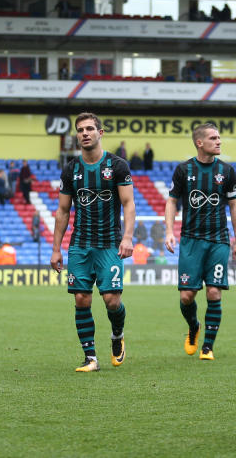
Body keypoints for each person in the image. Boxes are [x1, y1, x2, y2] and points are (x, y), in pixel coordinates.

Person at [50, 112, 135, 373]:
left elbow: (129, 203)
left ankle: (117, 335)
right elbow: (63, 210)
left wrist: (128, 237)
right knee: (81, 300)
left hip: (109, 244)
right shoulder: (71, 169)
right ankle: (90, 358)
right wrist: (56, 248)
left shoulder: (118, 165)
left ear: (100, 133)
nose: (84, 133)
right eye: (80, 129)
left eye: (89, 129)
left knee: (111, 300)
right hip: (80, 245)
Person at [164, 122, 236, 361]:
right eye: (213, 138)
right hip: (190, 240)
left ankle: (208, 347)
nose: (218, 141)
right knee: (187, 296)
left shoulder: (227, 172)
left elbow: (234, 207)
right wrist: (169, 230)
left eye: (219, 137)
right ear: (200, 143)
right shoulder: (183, 170)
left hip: (218, 240)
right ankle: (194, 326)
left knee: (213, 292)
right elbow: (171, 201)